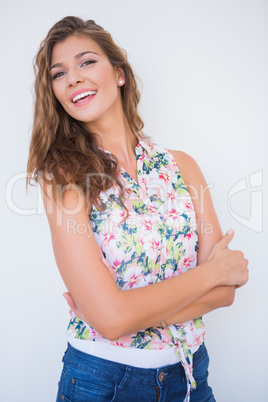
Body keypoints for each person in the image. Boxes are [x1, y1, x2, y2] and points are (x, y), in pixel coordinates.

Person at [26, 16, 248, 402]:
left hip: (192, 375)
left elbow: (226, 291)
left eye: (86, 62)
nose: (73, 78)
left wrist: (123, 312)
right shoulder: (62, 177)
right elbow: (112, 322)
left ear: (120, 74)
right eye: (59, 73)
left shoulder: (182, 166)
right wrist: (210, 273)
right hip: (105, 382)